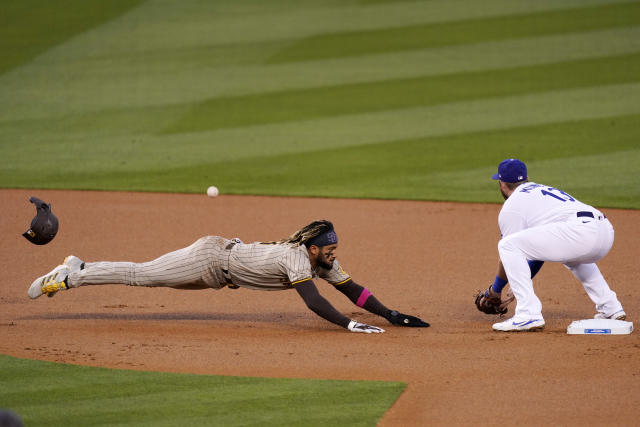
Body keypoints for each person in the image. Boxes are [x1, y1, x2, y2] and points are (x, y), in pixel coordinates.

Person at [28, 220, 429, 333]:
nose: (334, 253)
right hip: (208, 259)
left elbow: (352, 290)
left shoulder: (321, 263)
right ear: (311, 248)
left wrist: (389, 314)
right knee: (142, 276)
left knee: (144, 274)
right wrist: (350, 325)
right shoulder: (295, 259)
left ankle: (79, 269)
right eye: (329, 247)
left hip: (219, 271)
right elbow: (314, 302)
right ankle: (74, 273)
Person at [475, 159, 625, 332]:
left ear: (501, 184)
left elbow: (512, 254)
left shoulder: (511, 207)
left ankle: (527, 314)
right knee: (571, 256)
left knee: (507, 245)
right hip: (604, 229)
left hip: (580, 231)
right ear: (527, 179)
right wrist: (521, 281)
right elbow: (539, 252)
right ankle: (611, 308)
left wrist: (495, 289)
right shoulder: (540, 189)